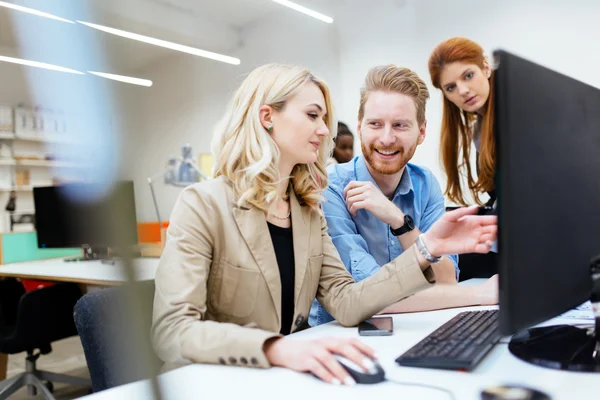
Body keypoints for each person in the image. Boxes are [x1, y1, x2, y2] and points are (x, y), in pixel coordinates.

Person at [151, 63, 497, 386]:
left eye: (324, 117)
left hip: (278, 378)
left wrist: (427, 247)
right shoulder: (203, 203)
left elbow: (346, 301)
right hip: (208, 381)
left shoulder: (305, 211)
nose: (324, 130)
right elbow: (172, 331)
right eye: (313, 115)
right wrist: (276, 347)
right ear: (267, 117)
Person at [309, 65, 498, 326]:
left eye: (399, 125)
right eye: (375, 124)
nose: (387, 138)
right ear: (360, 127)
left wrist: (400, 221)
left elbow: (446, 279)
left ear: (421, 132)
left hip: (410, 330)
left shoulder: (425, 183)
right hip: (338, 336)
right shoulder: (331, 187)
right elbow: (365, 298)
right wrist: (478, 294)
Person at [428, 37, 498, 279]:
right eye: (451, 87)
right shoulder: (480, 128)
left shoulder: (514, 116)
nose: (463, 90)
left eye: (468, 76)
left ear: (486, 67)